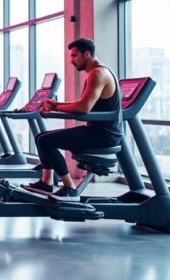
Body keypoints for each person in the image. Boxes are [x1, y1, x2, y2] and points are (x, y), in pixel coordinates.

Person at [22, 38, 122, 201]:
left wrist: (57, 106)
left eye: (75, 56)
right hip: (98, 131)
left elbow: (84, 108)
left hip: (103, 135)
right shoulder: (99, 72)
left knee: (46, 141)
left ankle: (69, 187)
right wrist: (57, 104)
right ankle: (46, 182)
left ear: (87, 54)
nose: (71, 61)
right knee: (41, 137)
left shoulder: (97, 73)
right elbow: (82, 103)